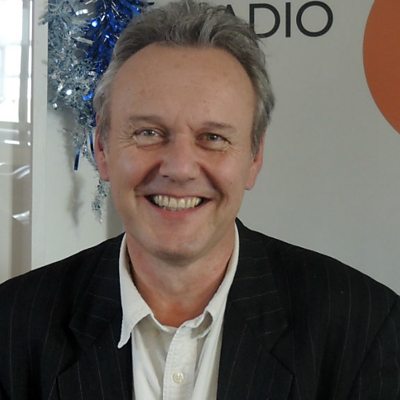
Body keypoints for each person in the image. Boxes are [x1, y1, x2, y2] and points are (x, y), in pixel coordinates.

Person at [0, 1, 399, 399]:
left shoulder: (363, 329)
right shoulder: (11, 327)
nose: (179, 168)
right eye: (148, 133)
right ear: (101, 149)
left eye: (213, 138)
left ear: (254, 158)